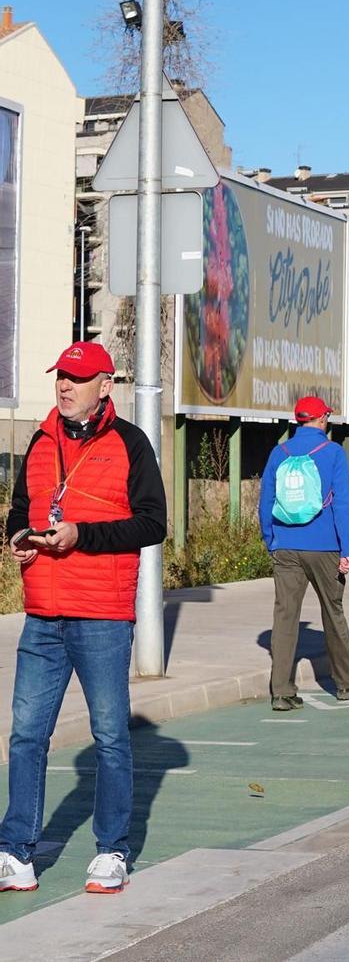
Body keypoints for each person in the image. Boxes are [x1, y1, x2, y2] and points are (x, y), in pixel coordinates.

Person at [0, 341, 168, 897]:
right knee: (26, 735)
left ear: (105, 386)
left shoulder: (131, 443)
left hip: (101, 615)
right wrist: (19, 538)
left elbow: (151, 524)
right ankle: (15, 851)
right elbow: (20, 509)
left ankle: (112, 849)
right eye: (60, 378)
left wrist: (83, 536)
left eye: (76, 378)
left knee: (110, 735)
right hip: (43, 614)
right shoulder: (41, 439)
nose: (64, 386)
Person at [259, 393, 349, 714]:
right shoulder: (332, 452)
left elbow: (266, 502)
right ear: (321, 420)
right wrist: (347, 548)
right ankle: (346, 682)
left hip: (286, 545)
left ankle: (281, 691)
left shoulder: (279, 452)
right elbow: (343, 504)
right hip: (325, 546)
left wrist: (271, 540)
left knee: (285, 616)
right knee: (332, 612)